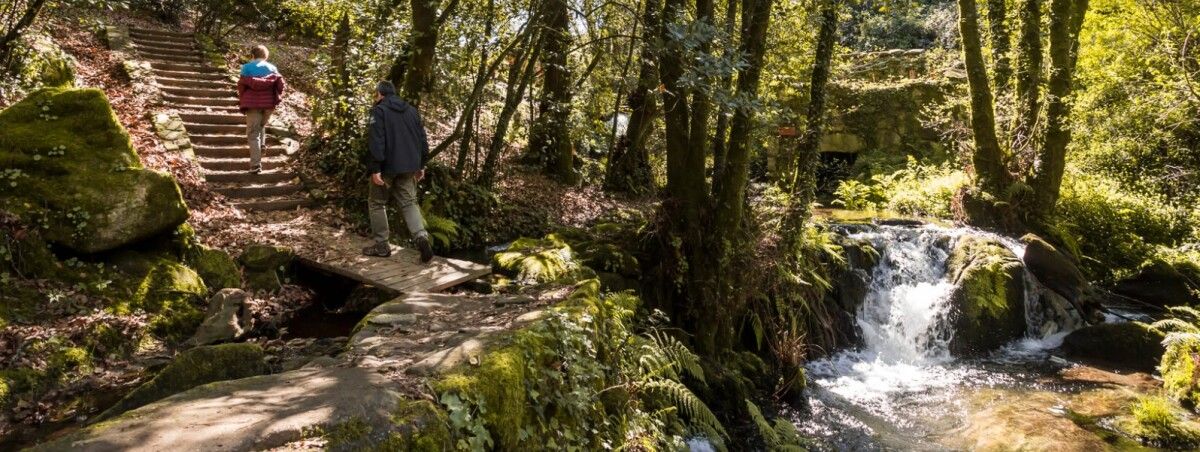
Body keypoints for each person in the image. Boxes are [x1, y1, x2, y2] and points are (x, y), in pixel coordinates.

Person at [362, 81, 435, 263]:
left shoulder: (379, 111)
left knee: (377, 203)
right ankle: (421, 238)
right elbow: (422, 140)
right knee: (409, 203)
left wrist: (375, 168)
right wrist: (421, 164)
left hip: (387, 167)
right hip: (409, 166)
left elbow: (376, 141)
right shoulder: (412, 111)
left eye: (375, 94)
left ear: (380, 94)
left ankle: (381, 246)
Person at [237, 45, 286, 174]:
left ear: (252, 55)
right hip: (268, 104)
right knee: (261, 125)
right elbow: (280, 86)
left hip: (252, 103)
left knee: (253, 134)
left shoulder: (246, 68)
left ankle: (255, 165)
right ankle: (262, 145)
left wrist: (242, 98)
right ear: (266, 56)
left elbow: (241, 86)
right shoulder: (272, 68)